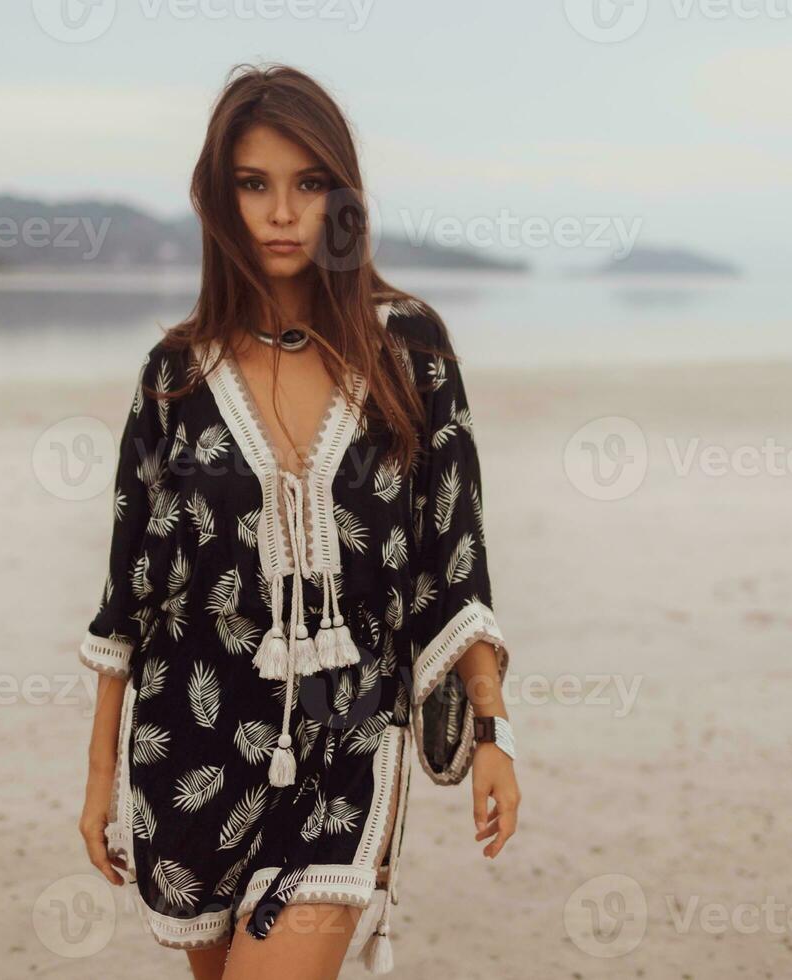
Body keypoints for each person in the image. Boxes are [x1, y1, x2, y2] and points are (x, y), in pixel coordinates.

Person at [76, 63, 520, 980]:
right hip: (187, 751)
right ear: (218, 199)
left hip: (350, 738)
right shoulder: (175, 377)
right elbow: (130, 596)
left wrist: (490, 734)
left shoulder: (412, 354)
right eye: (254, 184)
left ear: (343, 200)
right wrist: (98, 785)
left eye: (308, 184)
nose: (281, 212)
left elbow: (454, 552)